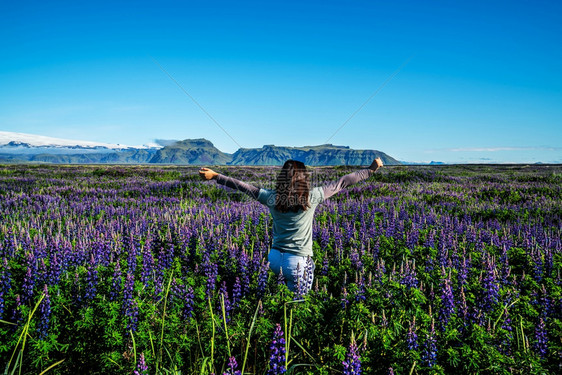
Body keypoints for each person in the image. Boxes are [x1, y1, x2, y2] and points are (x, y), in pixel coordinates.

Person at [199, 157, 383, 294]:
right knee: (298, 309)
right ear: (304, 179)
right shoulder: (312, 196)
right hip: (298, 262)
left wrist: (216, 176)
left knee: (277, 302)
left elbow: (244, 187)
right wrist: (370, 170)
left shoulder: (271, 197)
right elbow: (343, 182)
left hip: (274, 258)